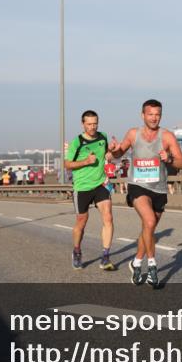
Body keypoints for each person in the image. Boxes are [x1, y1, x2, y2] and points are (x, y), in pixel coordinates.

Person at [114, 99, 182, 287]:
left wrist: (169, 158)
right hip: (138, 186)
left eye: (157, 115)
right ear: (143, 115)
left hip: (159, 189)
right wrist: (113, 150)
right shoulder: (133, 133)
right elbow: (118, 153)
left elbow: (181, 163)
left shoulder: (167, 136)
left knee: (149, 229)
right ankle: (152, 266)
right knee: (149, 221)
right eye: (150, 114)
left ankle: (136, 262)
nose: (154, 118)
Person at [65, 110, 121, 272]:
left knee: (108, 217)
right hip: (82, 187)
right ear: (83, 124)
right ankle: (76, 251)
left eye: (95, 123)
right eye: (89, 124)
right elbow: (67, 164)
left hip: (100, 184)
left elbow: (109, 156)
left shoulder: (102, 137)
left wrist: (112, 151)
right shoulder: (77, 142)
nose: (92, 127)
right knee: (81, 222)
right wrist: (85, 161)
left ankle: (105, 257)